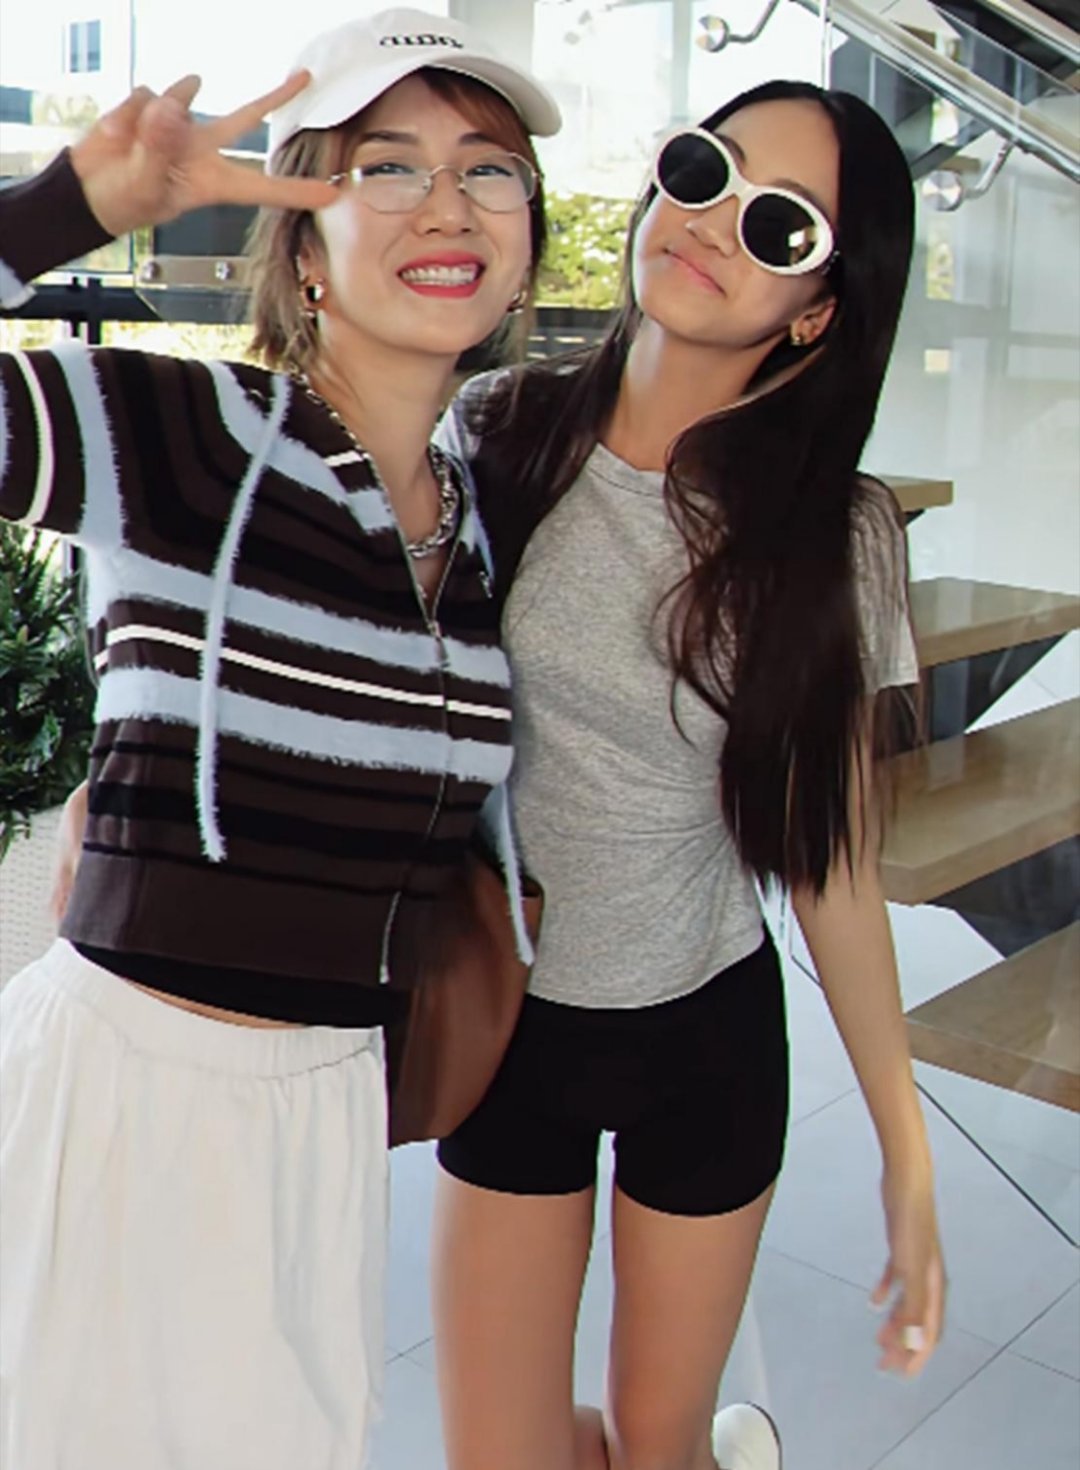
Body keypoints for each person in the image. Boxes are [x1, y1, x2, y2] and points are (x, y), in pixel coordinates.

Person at [0, 9, 558, 1467]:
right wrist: (66, 208)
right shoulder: (191, 433)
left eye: (489, 169)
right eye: (390, 166)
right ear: (305, 247)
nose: (448, 205)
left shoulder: (476, 521)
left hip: (326, 1115)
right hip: (133, 1098)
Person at [430, 80, 946, 1470]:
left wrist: (906, 1151)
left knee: (659, 1446)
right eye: (704, 169)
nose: (714, 221)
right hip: (506, 1020)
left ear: (819, 311)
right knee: (501, 1454)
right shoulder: (496, 430)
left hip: (704, 1032)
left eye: (780, 225)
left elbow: (832, 863)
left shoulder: (835, 536)